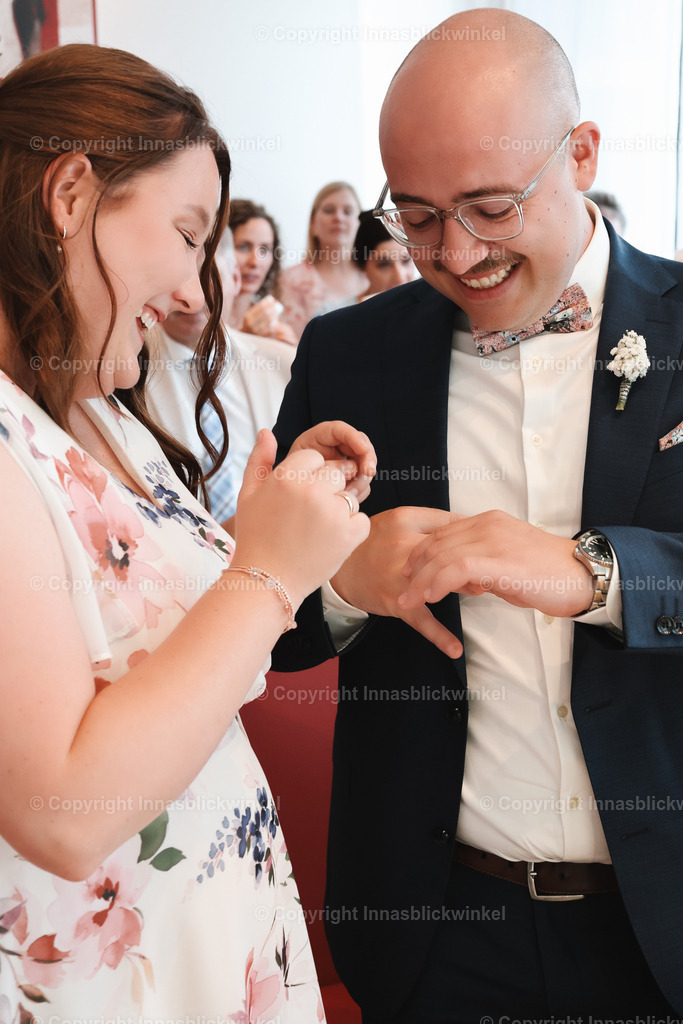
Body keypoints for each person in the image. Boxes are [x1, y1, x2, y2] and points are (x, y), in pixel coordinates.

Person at [273, 8, 683, 1021]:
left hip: (664, 923)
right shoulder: (345, 355)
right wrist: (341, 584)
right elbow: (273, 628)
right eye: (414, 218)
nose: (455, 254)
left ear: (580, 154)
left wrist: (597, 574)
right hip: (435, 929)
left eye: (490, 208)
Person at [0, 43, 374, 1023]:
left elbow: (170, 643)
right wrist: (265, 572)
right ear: (71, 195)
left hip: (210, 951)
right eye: (185, 231)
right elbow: (60, 809)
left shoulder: (98, 412)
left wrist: (286, 538)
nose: (191, 284)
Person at [146, 229, 296, 521]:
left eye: (208, 277)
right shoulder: (126, 375)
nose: (192, 295)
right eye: (174, 278)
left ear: (235, 279)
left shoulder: (286, 365)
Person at [278, 181, 367, 341]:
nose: (338, 217)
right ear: (313, 223)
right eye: (329, 210)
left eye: (348, 212)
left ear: (359, 223)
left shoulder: (372, 275)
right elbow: (291, 344)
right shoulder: (292, 279)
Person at [228, 198, 297, 345]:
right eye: (243, 247)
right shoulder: (195, 314)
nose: (255, 262)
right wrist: (245, 337)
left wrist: (293, 351)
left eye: (264, 250)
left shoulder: (272, 321)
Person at [352, 209, 416, 300]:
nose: (400, 277)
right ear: (362, 267)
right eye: (384, 265)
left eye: (406, 260)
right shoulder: (339, 308)